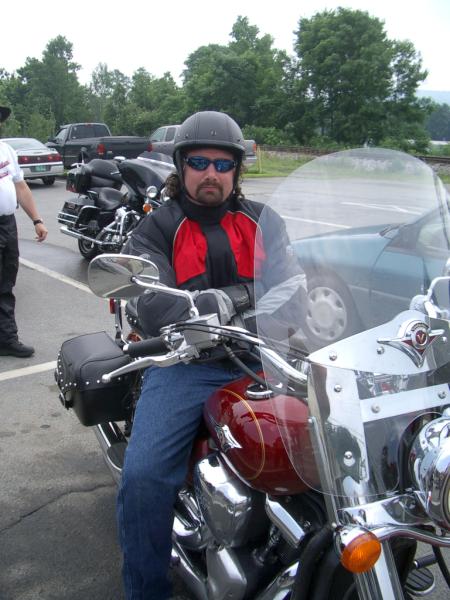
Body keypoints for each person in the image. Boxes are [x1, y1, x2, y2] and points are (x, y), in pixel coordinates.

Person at [119, 110, 306, 600]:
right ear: (180, 166)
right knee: (143, 478)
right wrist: (249, 298)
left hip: (262, 354)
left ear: (236, 171)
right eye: (199, 162)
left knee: (327, 447)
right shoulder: (157, 228)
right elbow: (158, 308)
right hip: (187, 364)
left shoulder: (263, 221)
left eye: (223, 165)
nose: (211, 174)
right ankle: (145, 590)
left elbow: (294, 292)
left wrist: (227, 303)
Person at [0, 105, 48, 357]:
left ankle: (6, 339)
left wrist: (37, 220)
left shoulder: (5, 150)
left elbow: (20, 186)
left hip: (7, 224)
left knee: (5, 283)